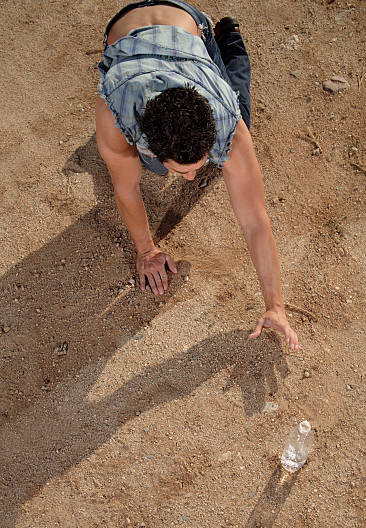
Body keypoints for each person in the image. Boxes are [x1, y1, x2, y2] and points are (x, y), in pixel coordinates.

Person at [96, 0, 300, 350]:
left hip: (186, 20)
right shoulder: (116, 114)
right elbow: (126, 190)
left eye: (197, 165)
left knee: (243, 116)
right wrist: (146, 251)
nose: (192, 179)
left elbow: (255, 221)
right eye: (183, 170)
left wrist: (275, 306)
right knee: (151, 172)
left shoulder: (225, 120)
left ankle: (229, 38)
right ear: (147, 144)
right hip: (123, 32)